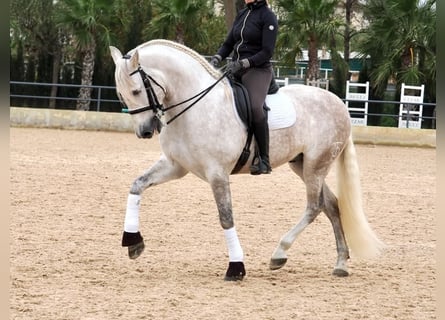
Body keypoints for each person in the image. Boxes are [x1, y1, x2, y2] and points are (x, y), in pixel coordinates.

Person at [210, 0, 278, 175]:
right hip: (236, 68)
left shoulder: (268, 17)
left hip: (257, 69)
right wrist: (218, 57)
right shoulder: (242, 14)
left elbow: (267, 51)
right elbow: (229, 43)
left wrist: (245, 62)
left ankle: (264, 159)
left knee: (256, 108)